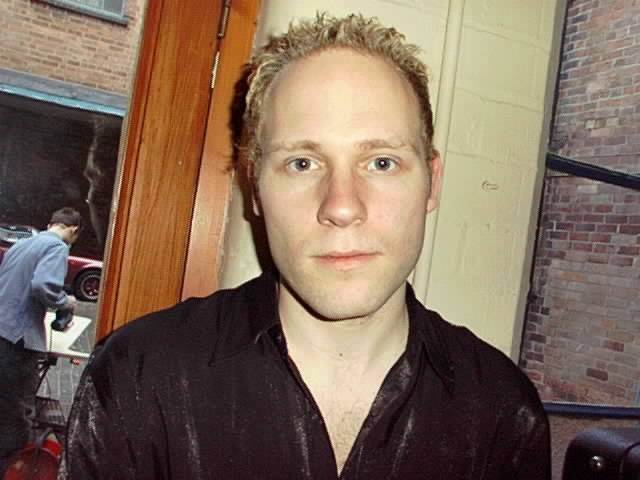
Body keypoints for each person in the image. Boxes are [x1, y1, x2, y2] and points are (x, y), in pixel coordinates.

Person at [62, 13, 550, 480]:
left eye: (381, 162)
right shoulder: (138, 378)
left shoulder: (504, 412)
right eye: (302, 163)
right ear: (255, 187)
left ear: (432, 182)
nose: (342, 207)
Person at [0, 207, 81, 474]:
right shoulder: (57, 247)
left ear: (50, 224)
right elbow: (43, 286)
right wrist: (65, 301)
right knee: (15, 416)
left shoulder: (21, 245)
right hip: (18, 340)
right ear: (73, 230)